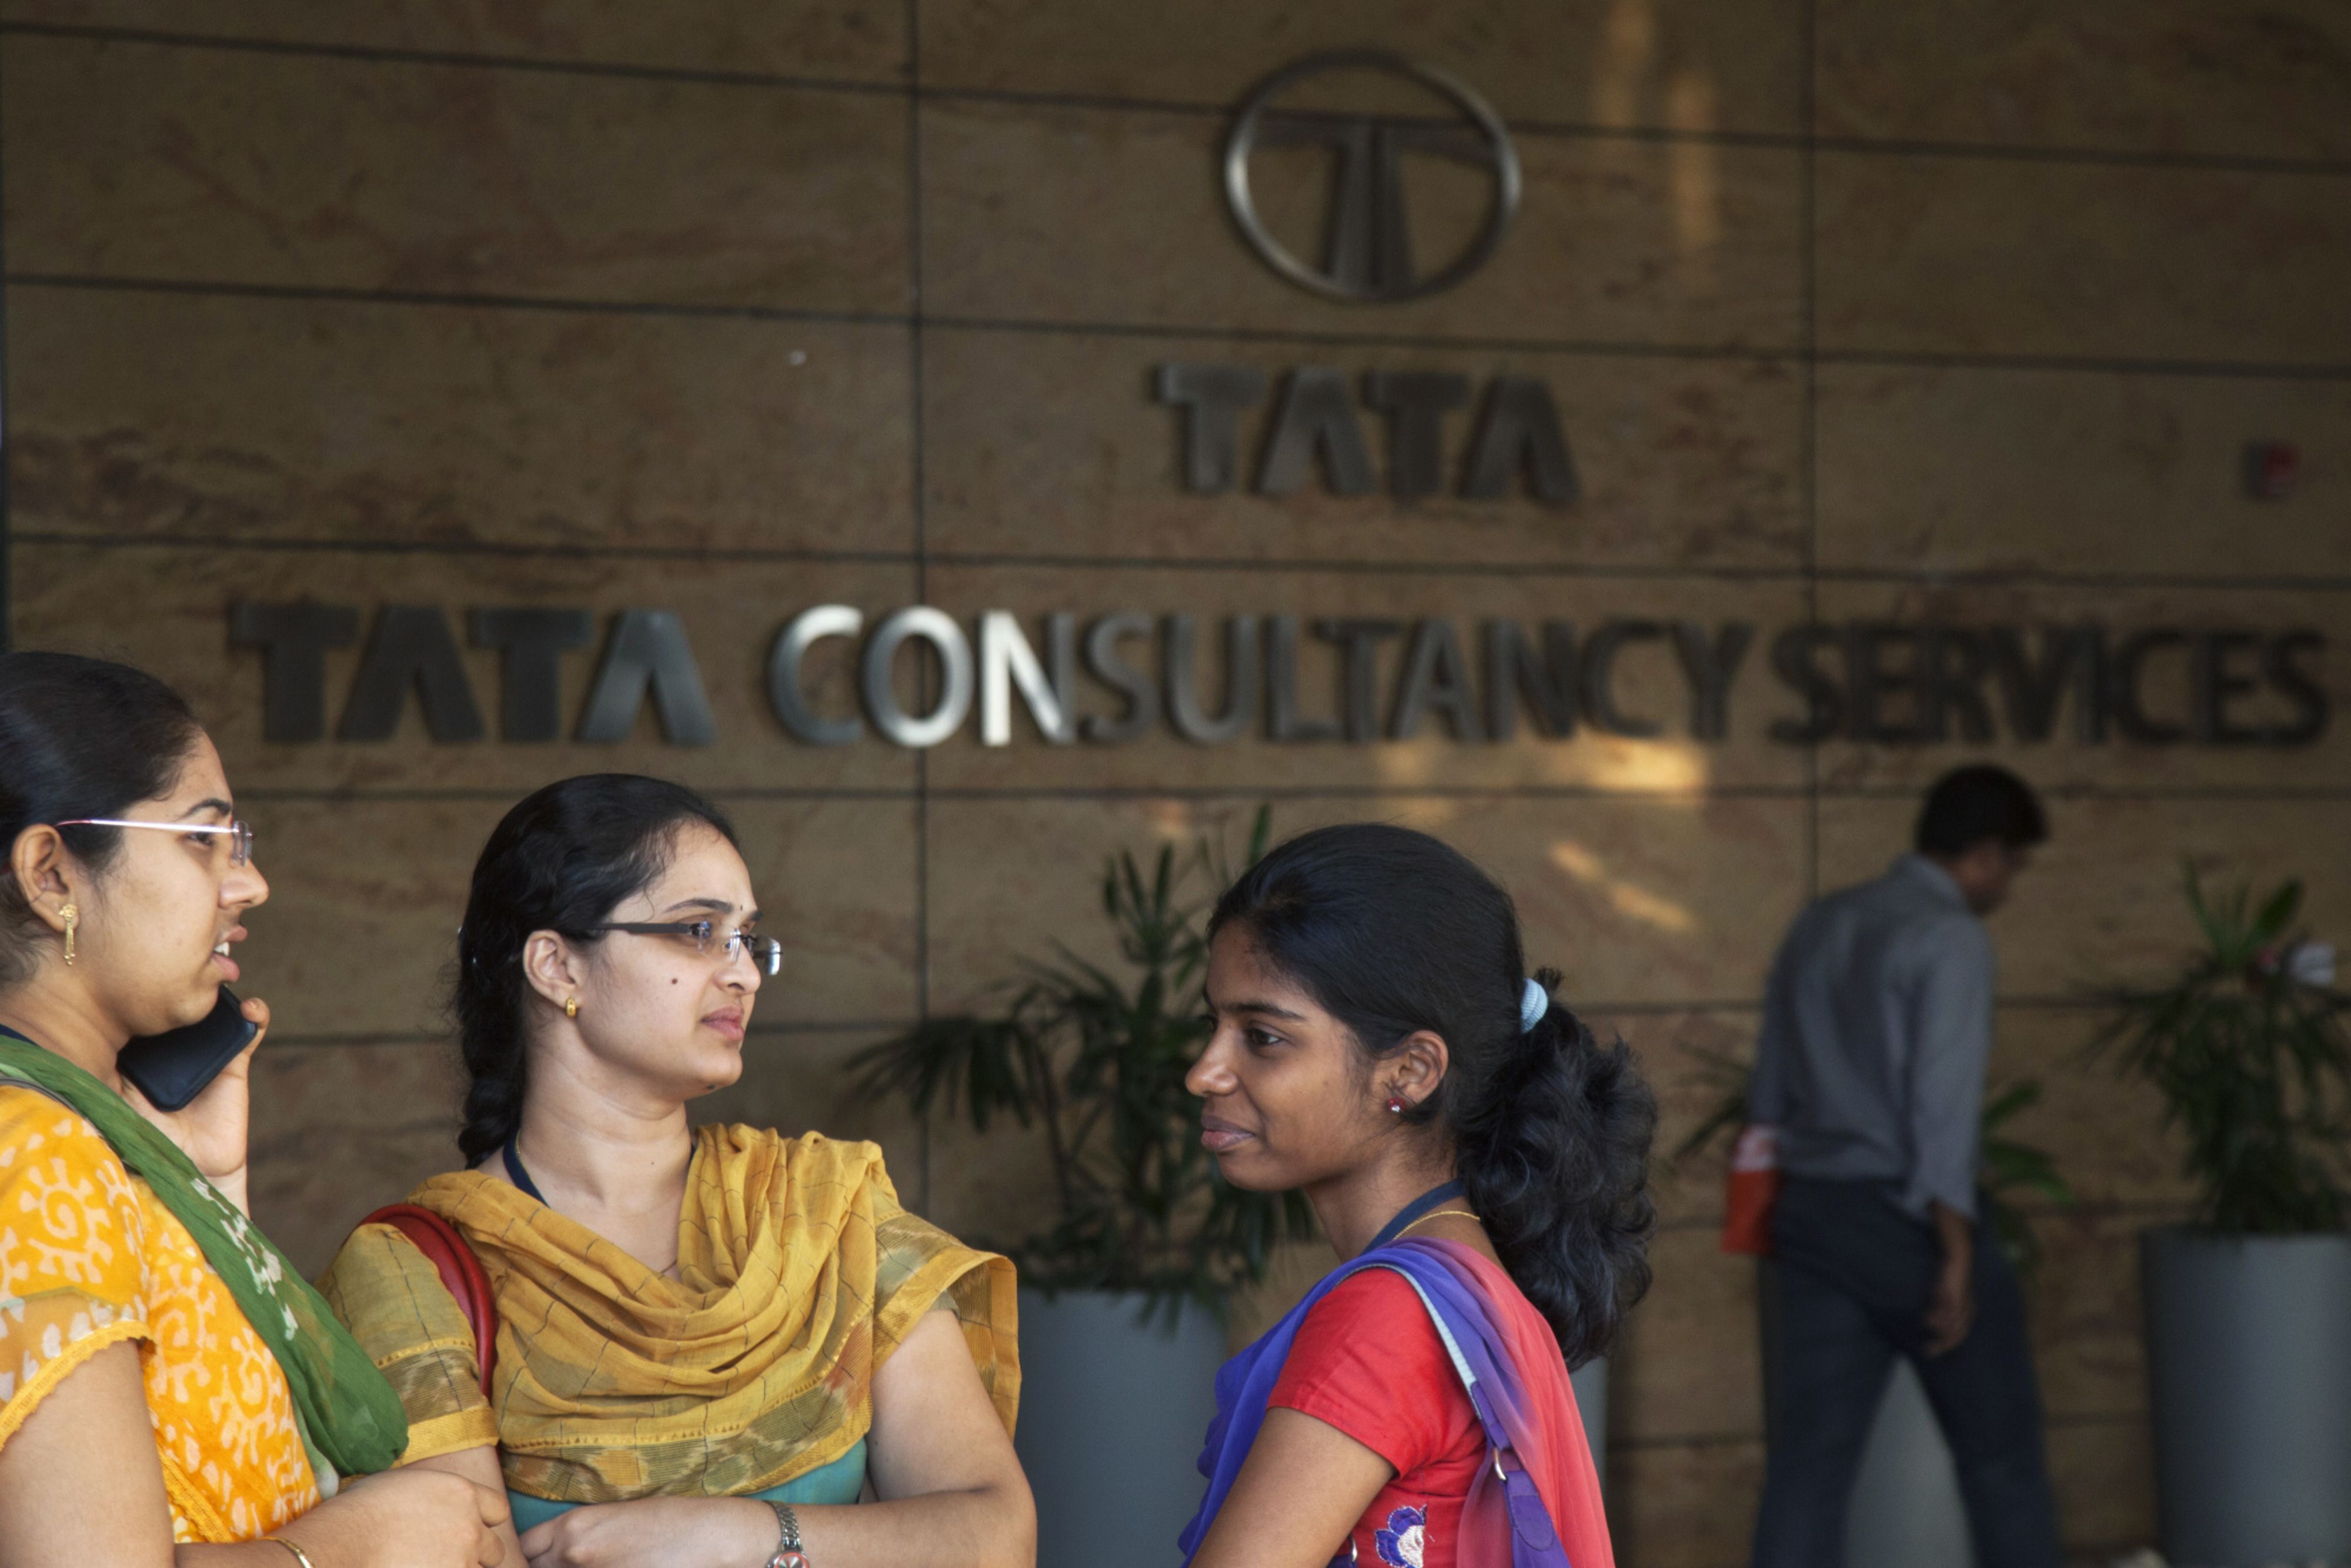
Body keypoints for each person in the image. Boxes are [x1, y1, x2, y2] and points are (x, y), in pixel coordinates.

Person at [318, 773, 1032, 1568]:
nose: (744, 973)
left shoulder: (824, 1213)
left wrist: (747, 1537)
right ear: (557, 967)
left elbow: (997, 1536)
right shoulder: (414, 1274)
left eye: (747, 938)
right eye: (698, 931)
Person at [0, 651, 508, 1567]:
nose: (249, 882)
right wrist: (357, 1545)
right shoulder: (36, 1151)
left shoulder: (89, 1141)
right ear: (52, 874)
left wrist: (206, 1188)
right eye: (203, 839)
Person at [1178, 823, 1654, 1568]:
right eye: (1214, 1025)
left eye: (1262, 1036)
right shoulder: (1467, 1284)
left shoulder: (1387, 1315)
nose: (1203, 1072)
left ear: (1409, 1071)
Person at [1746, 763, 2061, 1568]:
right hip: (1910, 1220)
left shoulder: (1820, 922)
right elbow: (1940, 1101)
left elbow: (1769, 1085)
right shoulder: (1949, 934)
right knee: (2001, 1463)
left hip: (1813, 1213)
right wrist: (1953, 1243)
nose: (2007, 885)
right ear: (1984, 854)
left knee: (1807, 1472)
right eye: (2011, 865)